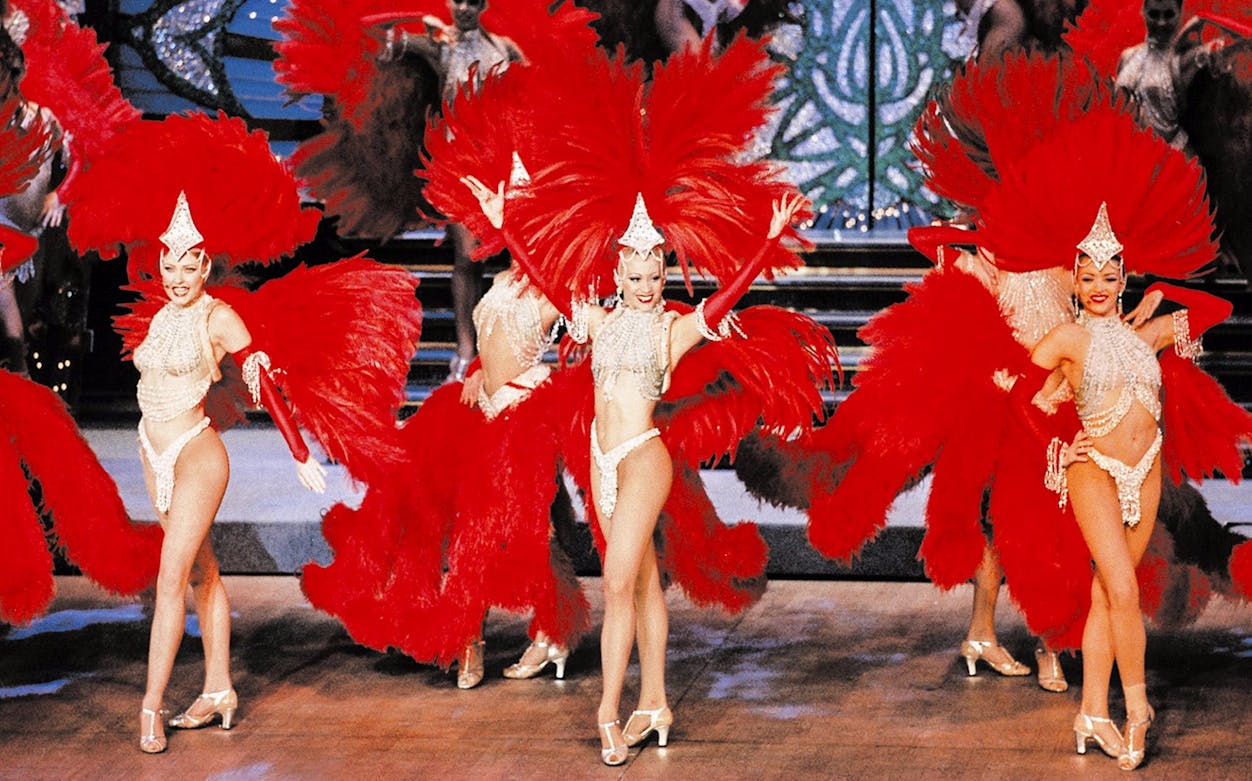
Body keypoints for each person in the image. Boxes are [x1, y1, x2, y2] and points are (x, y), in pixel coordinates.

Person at [466, 172, 805, 764]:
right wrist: (505, 224)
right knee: (645, 583)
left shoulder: (673, 331)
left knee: (617, 582)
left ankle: (607, 714)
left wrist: (769, 240)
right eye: (637, 278)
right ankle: (656, 704)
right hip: (600, 458)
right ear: (618, 276)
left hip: (643, 459)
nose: (648, 287)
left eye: (656, 277)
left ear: (663, 277)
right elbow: (544, 276)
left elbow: (727, 299)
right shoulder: (597, 322)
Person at [1017, 202, 1234, 769]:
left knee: (1105, 595)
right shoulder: (1067, 337)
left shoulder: (1151, 333)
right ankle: (1137, 710)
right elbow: (1020, 393)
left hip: (1148, 472)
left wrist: (1155, 298)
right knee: (1123, 590)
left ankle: (1091, 712)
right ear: (1076, 279)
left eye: (1107, 278)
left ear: (1122, 279)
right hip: (1094, 472)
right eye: (1086, 277)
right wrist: (1060, 445)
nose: (1095, 287)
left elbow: (1219, 306)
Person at [133, 193, 328, 754]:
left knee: (170, 579)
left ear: (205, 266)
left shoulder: (220, 318)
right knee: (202, 573)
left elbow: (264, 383)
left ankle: (151, 705)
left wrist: (298, 451)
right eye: (166, 266)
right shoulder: (165, 314)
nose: (173, 277)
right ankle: (219, 687)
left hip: (197, 456)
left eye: (185, 267)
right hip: (151, 450)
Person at [378, 0, 521, 380]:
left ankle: (506, 348)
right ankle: (465, 351)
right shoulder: (441, 42)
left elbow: (541, 91)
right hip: (459, 164)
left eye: (472, 1)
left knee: (513, 260)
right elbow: (387, 43)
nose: (464, 8)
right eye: (457, 0)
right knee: (468, 256)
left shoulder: (505, 47)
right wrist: (401, 27)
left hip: (504, 162)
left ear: (484, 4)